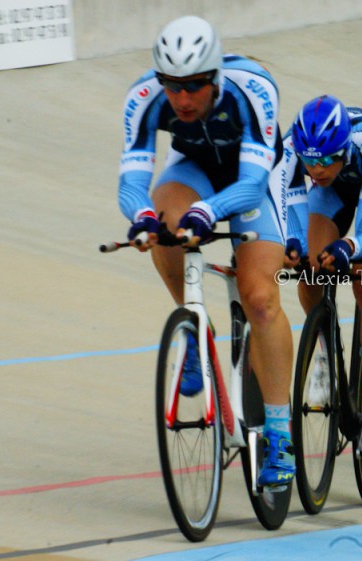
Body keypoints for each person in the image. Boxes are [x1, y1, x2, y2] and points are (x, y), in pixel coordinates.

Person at [117, 15, 295, 486]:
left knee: (260, 299)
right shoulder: (143, 98)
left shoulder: (253, 88)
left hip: (253, 180)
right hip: (193, 167)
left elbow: (253, 184)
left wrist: (208, 211)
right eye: (172, 86)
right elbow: (132, 184)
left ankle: (280, 433)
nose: (182, 98)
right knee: (162, 218)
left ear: (214, 76)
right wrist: (141, 218)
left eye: (194, 85)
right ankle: (194, 324)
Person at [285, 95, 362, 452]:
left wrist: (346, 248)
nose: (316, 170)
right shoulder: (292, 152)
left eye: (326, 160)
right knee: (311, 270)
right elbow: (291, 213)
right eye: (310, 161)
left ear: (343, 149)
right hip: (339, 191)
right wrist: (294, 247)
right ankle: (324, 355)